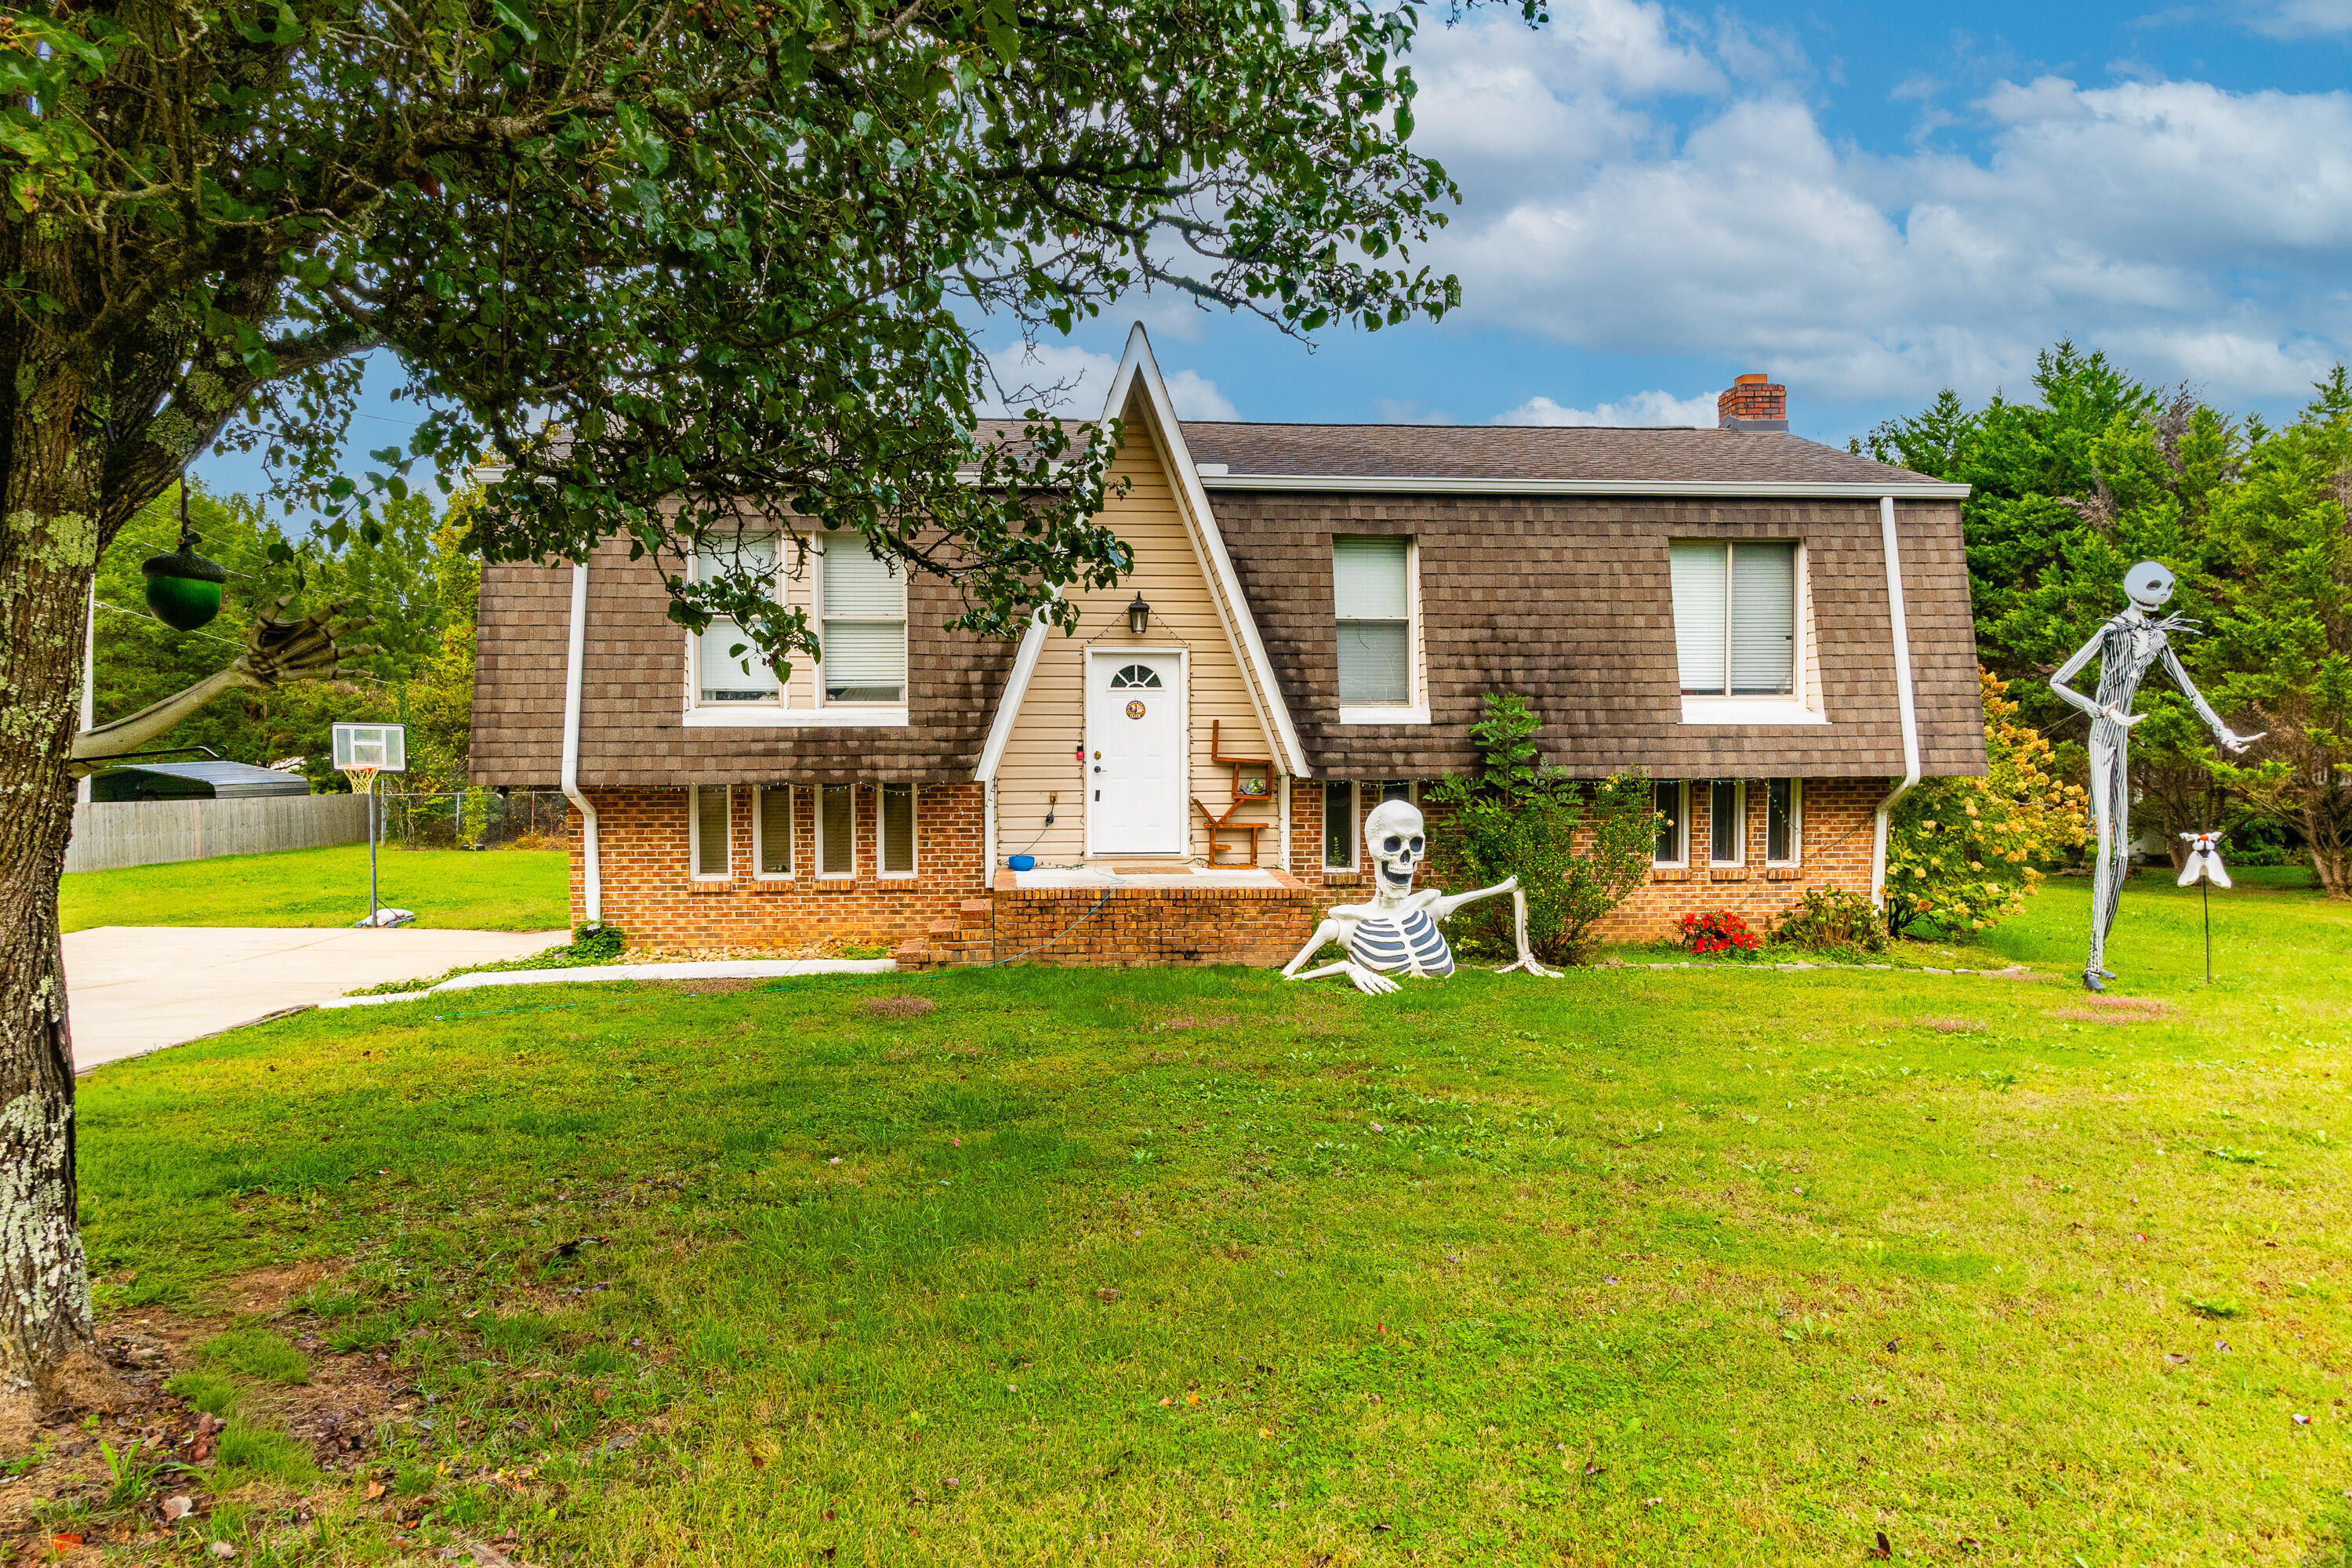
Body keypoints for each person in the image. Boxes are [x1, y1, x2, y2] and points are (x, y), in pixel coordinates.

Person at [2047, 561, 2258, 992]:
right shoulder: (2112, 632)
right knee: (2108, 851)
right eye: (2160, 586)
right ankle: (2091, 963)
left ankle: (2097, 956)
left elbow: (2189, 688)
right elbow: (2058, 680)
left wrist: (2223, 730)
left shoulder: (2158, 636)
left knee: (2123, 856)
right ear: (2141, 588)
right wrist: (2101, 710)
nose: (2167, 593)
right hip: (2104, 735)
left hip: (2123, 741)